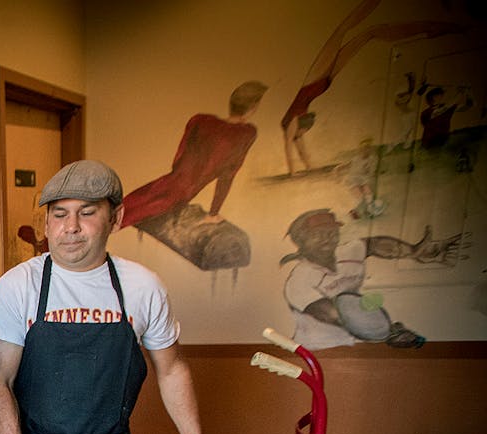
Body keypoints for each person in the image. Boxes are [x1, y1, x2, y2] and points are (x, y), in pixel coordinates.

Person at [0, 160, 212, 434]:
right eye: (59, 214)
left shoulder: (142, 287)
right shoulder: (20, 285)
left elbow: (172, 369)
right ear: (47, 222)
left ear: (116, 218)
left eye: (87, 213)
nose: (71, 227)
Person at [280, 0, 462, 176]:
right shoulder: (296, 127)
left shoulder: (292, 122)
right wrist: (309, 168)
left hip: (314, 81)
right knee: (368, 34)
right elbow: (301, 149)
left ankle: (431, 28)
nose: (303, 134)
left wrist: (292, 172)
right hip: (320, 86)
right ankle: (433, 29)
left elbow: (289, 146)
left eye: (303, 132)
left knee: (350, 30)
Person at [279, 207, 464, 349]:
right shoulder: (299, 281)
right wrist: (387, 331)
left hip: (356, 343)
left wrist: (414, 252)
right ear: (301, 240)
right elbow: (337, 313)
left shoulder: (347, 252)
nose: (327, 238)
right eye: (318, 234)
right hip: (318, 349)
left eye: (332, 232)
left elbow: (374, 245)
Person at [121, 81, 267, 229]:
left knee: (124, 209)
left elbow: (181, 153)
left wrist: (178, 174)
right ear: (253, 107)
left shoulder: (201, 120)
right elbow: (227, 175)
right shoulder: (245, 134)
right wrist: (213, 213)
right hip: (183, 192)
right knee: (125, 218)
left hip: (167, 181)